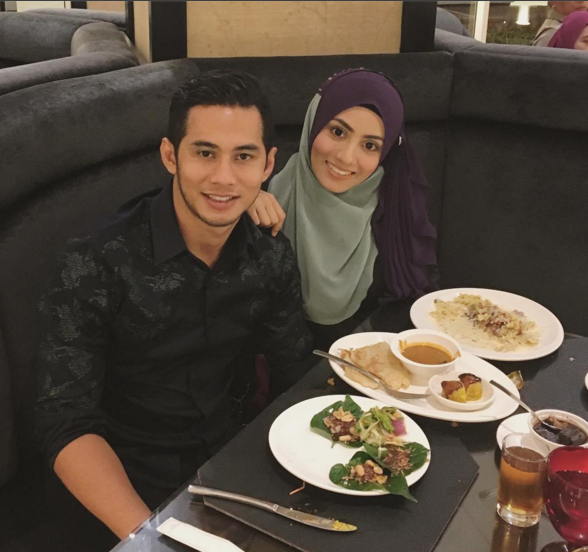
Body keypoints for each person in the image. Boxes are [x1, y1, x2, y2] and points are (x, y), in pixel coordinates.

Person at [34, 70, 313, 542]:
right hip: (119, 491)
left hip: (227, 473)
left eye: (243, 156)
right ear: (170, 156)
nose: (223, 177)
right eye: (205, 153)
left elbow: (294, 372)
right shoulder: (96, 260)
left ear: (267, 165)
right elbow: (64, 418)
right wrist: (150, 539)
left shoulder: (269, 255)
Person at [248, 69, 438, 351]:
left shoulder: (396, 210)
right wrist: (240, 202)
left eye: (370, 145)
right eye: (338, 132)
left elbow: (413, 309)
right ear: (314, 124)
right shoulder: (265, 194)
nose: (346, 157)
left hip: (367, 365)